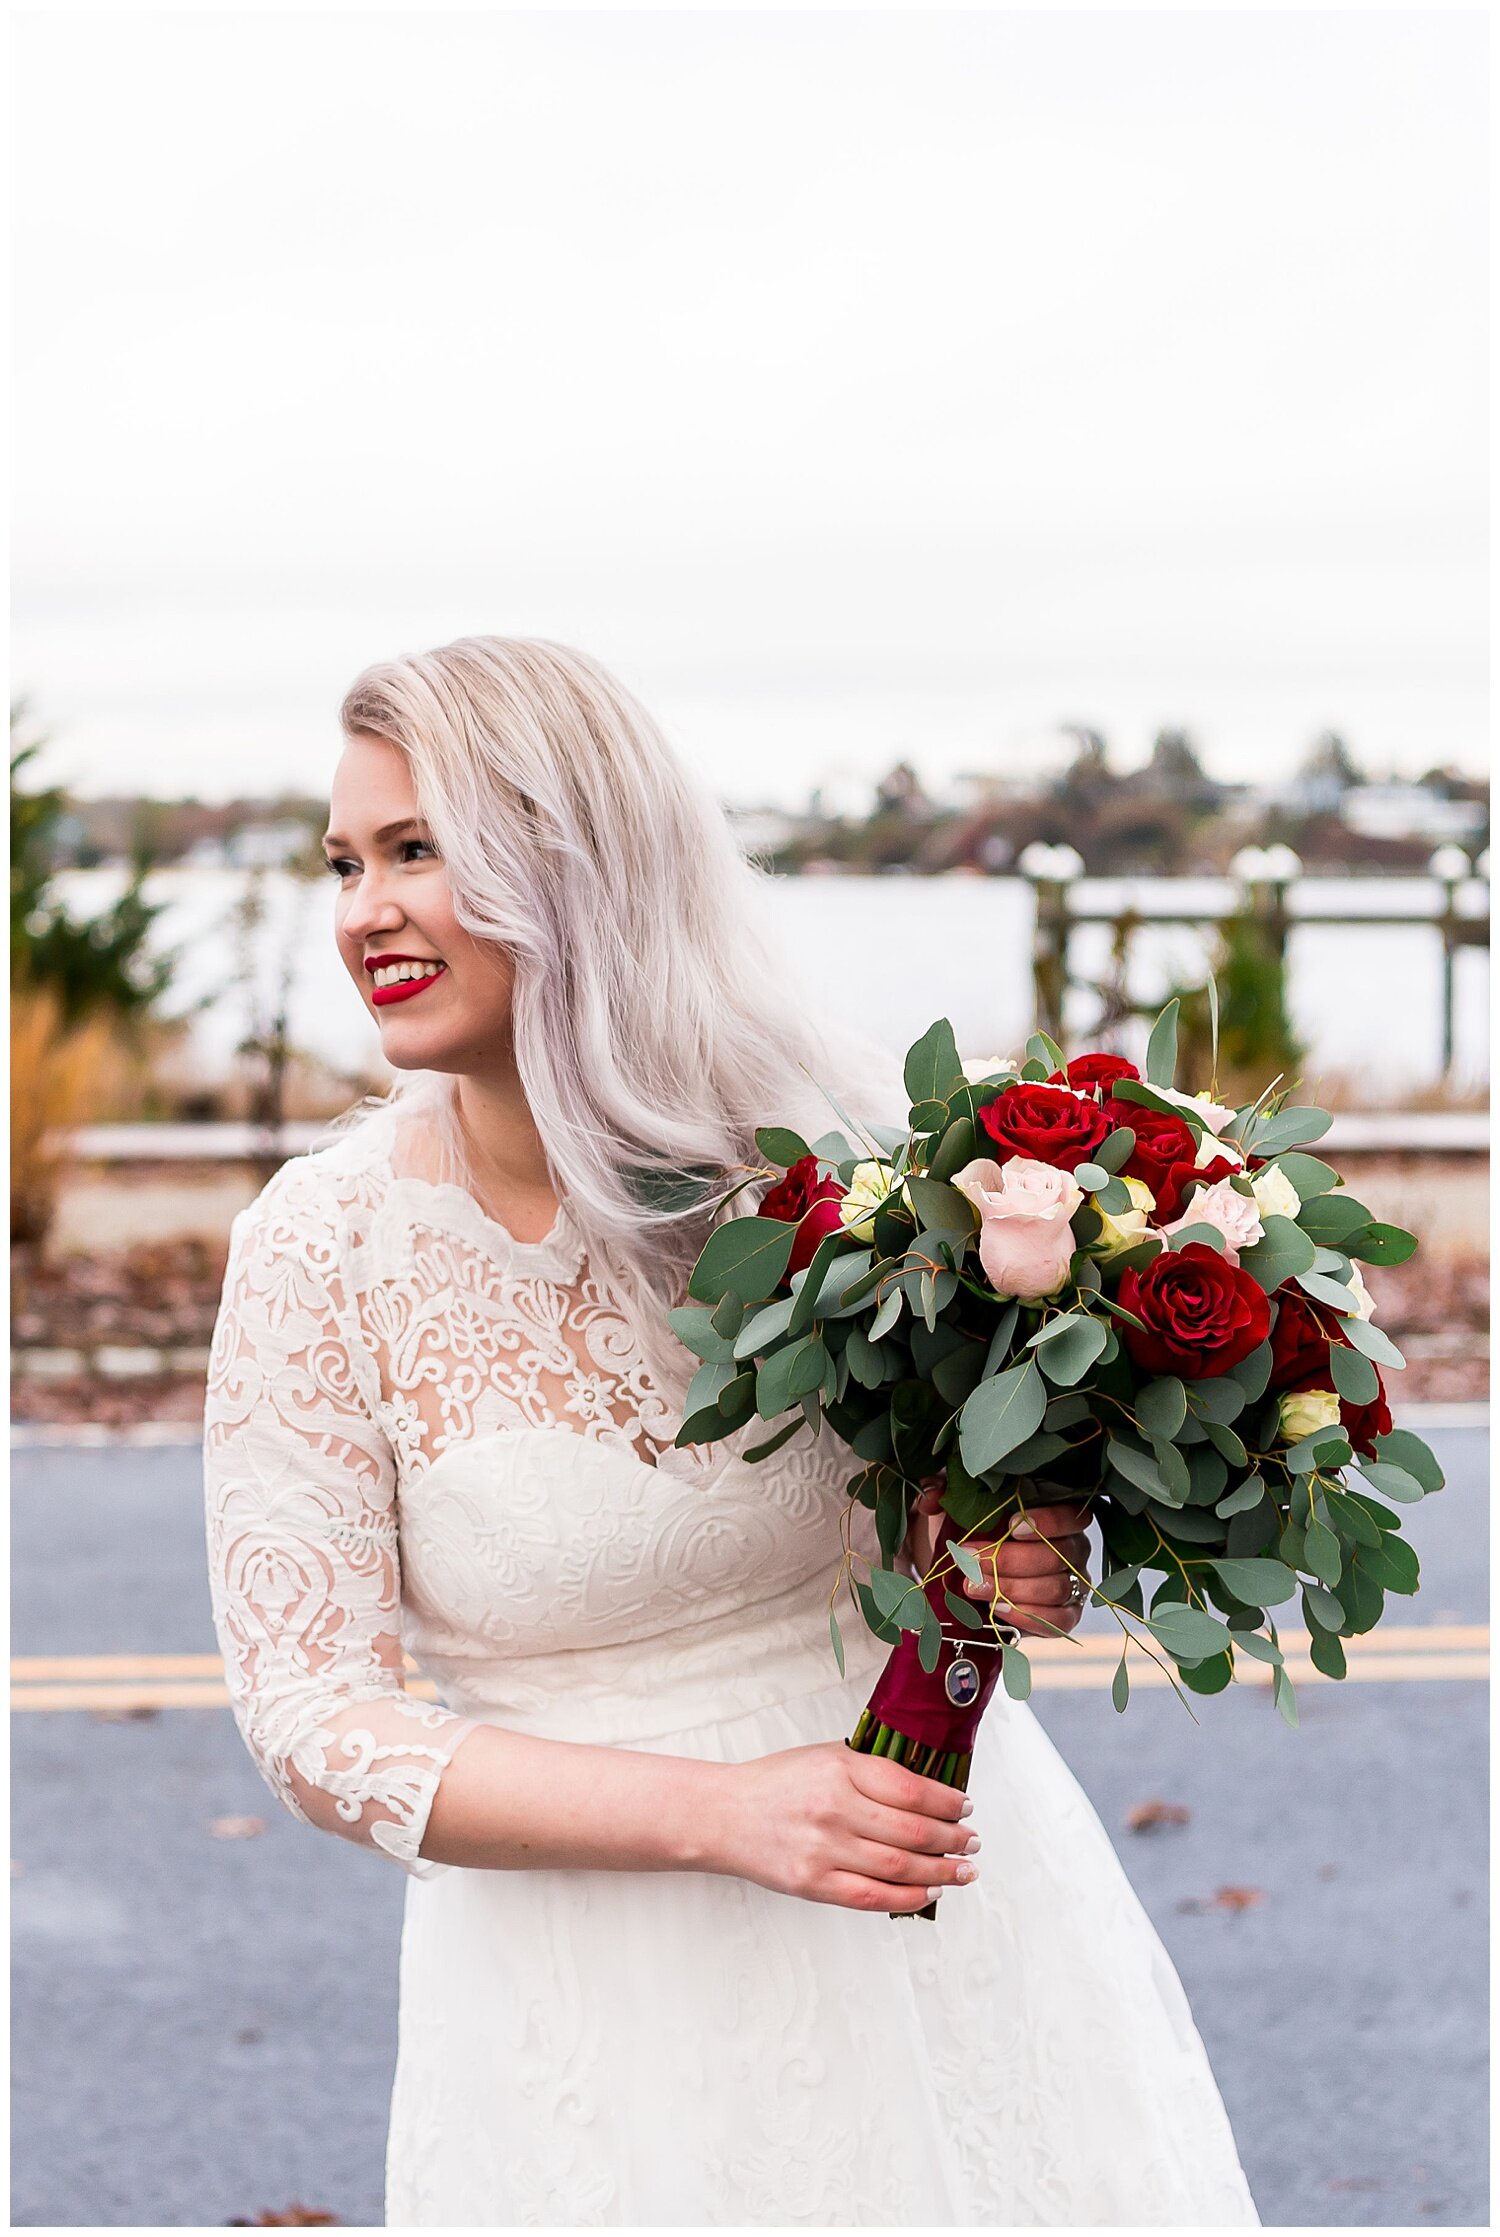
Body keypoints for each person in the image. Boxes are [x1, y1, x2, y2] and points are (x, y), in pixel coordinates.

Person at [202, 636, 1259, 2227]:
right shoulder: (320, 1249)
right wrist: (729, 1812)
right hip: (590, 2017)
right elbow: (313, 1716)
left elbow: (927, 1525)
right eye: (346, 861)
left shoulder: (820, 1172)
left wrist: (1003, 1540)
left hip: (936, 1929)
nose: (363, 911)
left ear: (569, 859)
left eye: (418, 850)